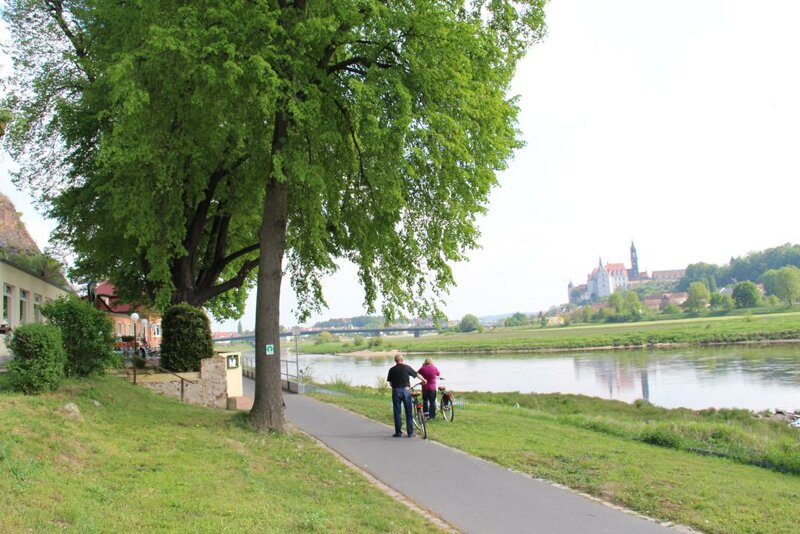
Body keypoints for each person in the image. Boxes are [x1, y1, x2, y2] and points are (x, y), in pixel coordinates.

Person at [386, 353, 426, 437]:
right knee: (408, 412)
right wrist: (423, 379)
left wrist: (395, 387)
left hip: (396, 391)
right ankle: (410, 433)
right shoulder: (407, 367)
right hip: (406, 390)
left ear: (395, 361)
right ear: (402, 359)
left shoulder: (391, 370)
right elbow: (416, 374)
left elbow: (390, 383)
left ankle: (398, 432)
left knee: (397, 412)